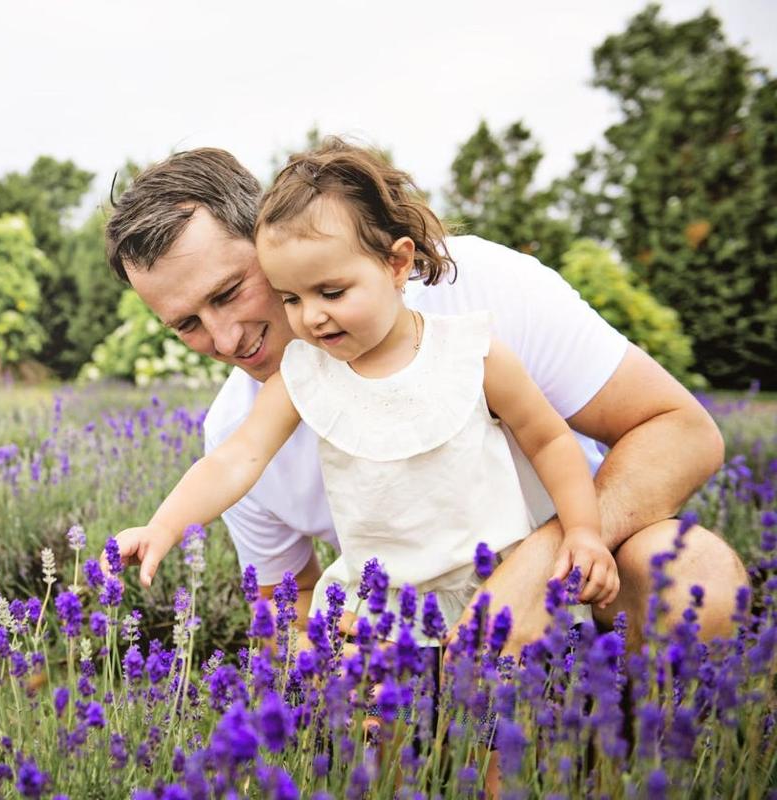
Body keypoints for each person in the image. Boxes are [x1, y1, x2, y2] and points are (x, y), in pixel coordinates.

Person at [103, 142, 747, 653]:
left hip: (582, 570)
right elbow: (283, 601)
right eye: (186, 323)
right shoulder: (245, 420)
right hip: (420, 622)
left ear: (272, 242)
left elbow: (683, 431)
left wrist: (534, 568)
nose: (223, 339)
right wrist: (322, 666)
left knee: (693, 574)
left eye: (227, 292)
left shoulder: (475, 293)